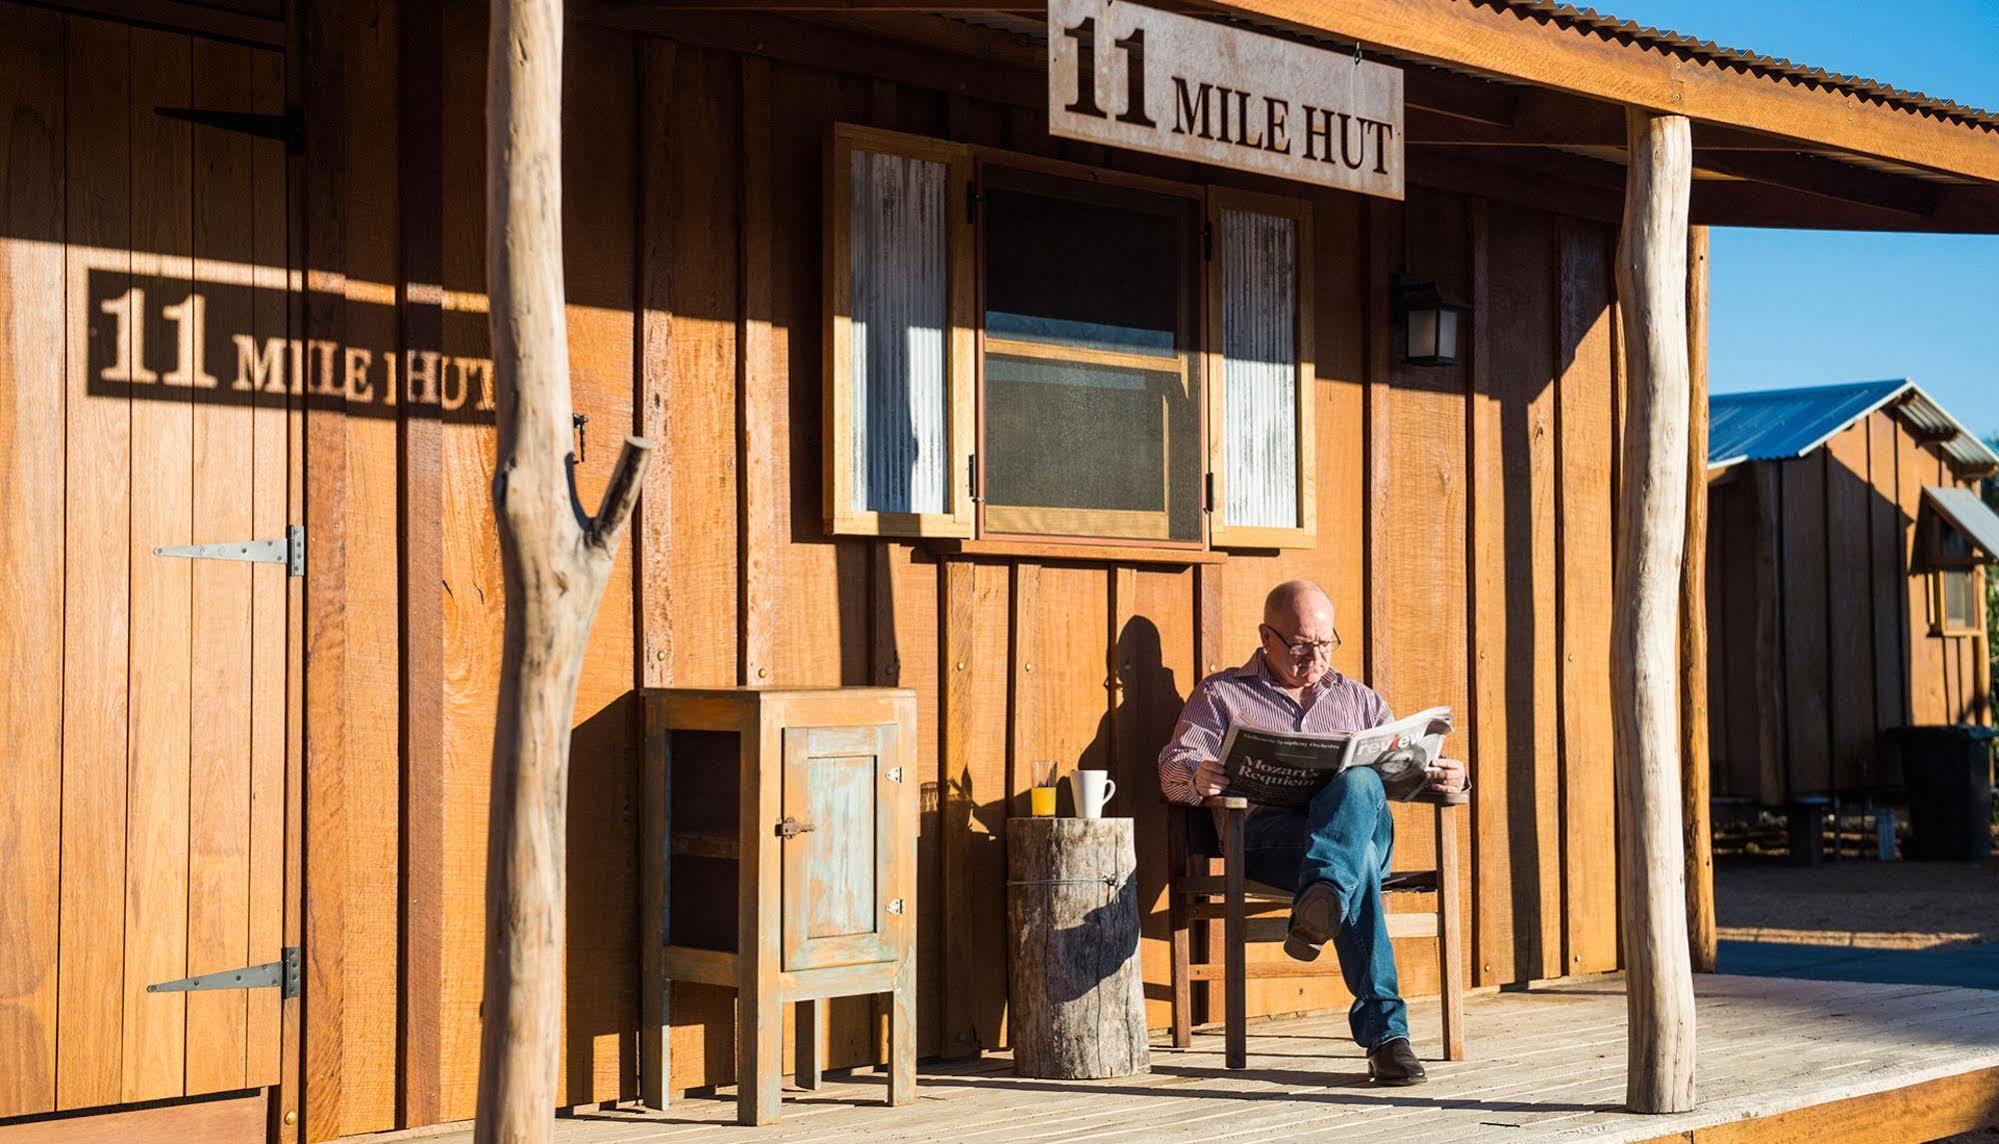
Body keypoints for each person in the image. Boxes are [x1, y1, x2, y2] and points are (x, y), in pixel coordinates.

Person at [1157, 579, 1467, 1086]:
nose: (1314, 658)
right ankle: (1388, 1039)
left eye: (1325, 644)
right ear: (1266, 635)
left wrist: (1450, 776)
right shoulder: (1222, 694)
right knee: (1356, 862)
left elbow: (1404, 771)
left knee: (1362, 780)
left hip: (1358, 830)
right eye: (1300, 645)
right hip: (1270, 841)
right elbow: (1174, 763)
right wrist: (1196, 776)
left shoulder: (1359, 700)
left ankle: (1321, 899)